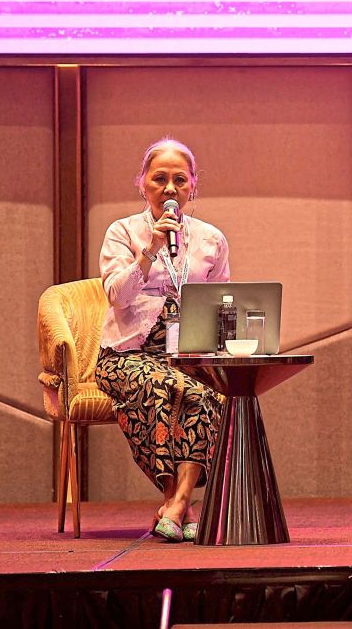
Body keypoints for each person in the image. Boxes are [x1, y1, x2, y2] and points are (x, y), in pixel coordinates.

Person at [95, 138, 230, 542]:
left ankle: (177, 503)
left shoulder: (211, 239)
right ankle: (182, 506)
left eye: (179, 180)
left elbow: (223, 302)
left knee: (209, 394)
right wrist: (149, 250)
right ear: (142, 184)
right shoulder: (122, 232)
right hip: (128, 354)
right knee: (168, 390)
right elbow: (116, 295)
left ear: (192, 186)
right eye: (159, 179)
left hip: (187, 354)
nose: (169, 189)